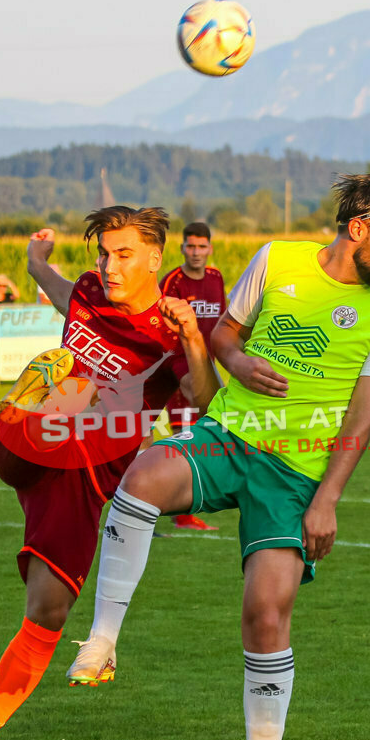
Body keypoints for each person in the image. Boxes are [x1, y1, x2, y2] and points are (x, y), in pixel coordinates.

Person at [66, 171, 370, 740]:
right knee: (144, 477)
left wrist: (326, 500)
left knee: (265, 615)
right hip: (229, 433)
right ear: (359, 228)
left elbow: (361, 419)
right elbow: (224, 338)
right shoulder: (277, 258)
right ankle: (101, 640)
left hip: (295, 475)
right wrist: (235, 365)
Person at [0, 206, 218, 740]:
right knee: (62, 366)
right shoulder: (89, 291)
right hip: (28, 440)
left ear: (153, 259)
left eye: (122, 255)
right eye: (102, 253)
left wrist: (194, 338)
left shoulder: (171, 331)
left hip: (83, 481)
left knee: (47, 611)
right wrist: (37, 261)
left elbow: (203, 396)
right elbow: (60, 290)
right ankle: (36, 398)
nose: (108, 265)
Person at [160, 222, 226, 530]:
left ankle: (185, 502)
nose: (196, 252)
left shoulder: (216, 278)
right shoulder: (172, 281)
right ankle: (179, 511)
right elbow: (160, 326)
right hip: (179, 366)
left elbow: (222, 319)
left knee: (208, 430)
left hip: (207, 365)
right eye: (191, 246)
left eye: (202, 247)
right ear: (183, 248)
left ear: (210, 248)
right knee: (185, 436)